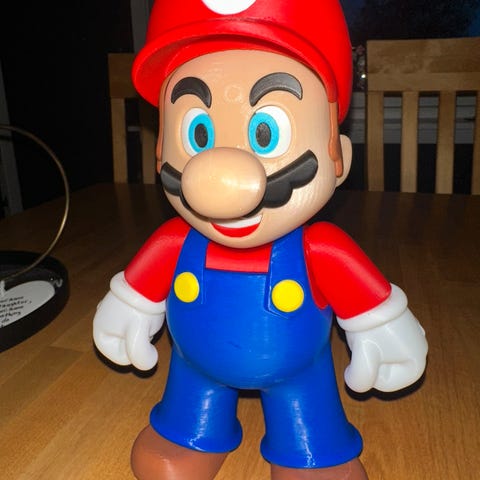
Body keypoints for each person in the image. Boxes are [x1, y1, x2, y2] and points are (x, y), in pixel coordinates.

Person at [93, 1, 428, 479]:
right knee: (190, 395)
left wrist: (383, 330)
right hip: (194, 366)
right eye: (198, 132)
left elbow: (367, 301)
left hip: (298, 372)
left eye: (265, 133)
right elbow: (138, 288)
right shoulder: (174, 242)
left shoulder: (319, 250)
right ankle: (190, 428)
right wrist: (127, 311)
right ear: (161, 151)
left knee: (306, 404)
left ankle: (311, 448)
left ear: (338, 156)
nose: (217, 175)